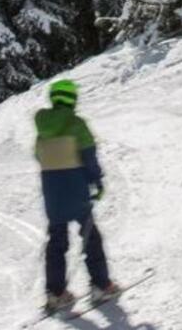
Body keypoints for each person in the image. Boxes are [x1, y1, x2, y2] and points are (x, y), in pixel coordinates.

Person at [34, 80, 121, 313]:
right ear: (72, 99)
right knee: (91, 238)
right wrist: (97, 182)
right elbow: (89, 158)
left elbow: (39, 157)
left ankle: (55, 293)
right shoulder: (76, 124)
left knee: (56, 242)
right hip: (77, 192)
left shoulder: (41, 130)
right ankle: (101, 286)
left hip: (53, 197)